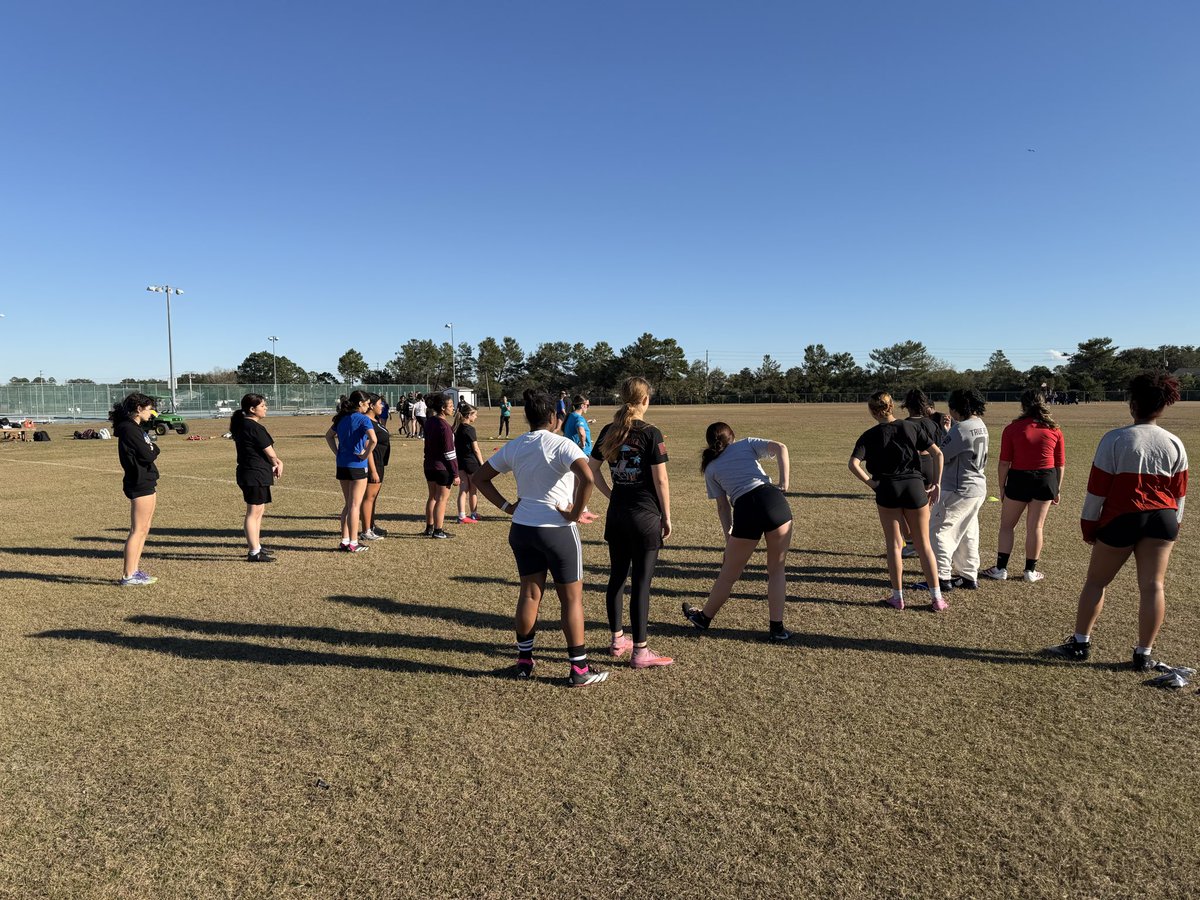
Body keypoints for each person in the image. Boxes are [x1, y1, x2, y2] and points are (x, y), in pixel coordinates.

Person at [1047, 372, 1188, 671]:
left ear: (1132, 403)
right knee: (1153, 587)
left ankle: (1080, 643)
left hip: (1122, 517)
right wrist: (1173, 525)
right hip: (1163, 519)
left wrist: (1089, 526)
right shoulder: (1175, 442)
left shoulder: (1116, 438)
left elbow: (1097, 490)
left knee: (1096, 582)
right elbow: (1179, 495)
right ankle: (1143, 654)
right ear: (1163, 406)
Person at [473, 389, 606, 686]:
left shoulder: (517, 445)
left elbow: (479, 478)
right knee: (571, 599)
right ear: (554, 417)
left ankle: (523, 662)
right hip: (557, 531)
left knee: (530, 593)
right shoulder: (563, 445)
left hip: (522, 530)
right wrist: (575, 513)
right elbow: (588, 478)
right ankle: (579, 670)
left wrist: (508, 507)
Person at [682, 423, 793, 641]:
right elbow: (781, 447)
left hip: (746, 508)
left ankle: (704, 618)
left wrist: (729, 536)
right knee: (777, 570)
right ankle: (777, 629)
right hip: (775, 502)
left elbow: (723, 507)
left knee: (729, 574)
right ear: (732, 436)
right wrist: (784, 483)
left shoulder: (711, 468)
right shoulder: (746, 444)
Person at [590, 377, 673, 668]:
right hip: (645, 516)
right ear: (645, 400)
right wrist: (667, 515)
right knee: (641, 583)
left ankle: (617, 640)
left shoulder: (608, 430)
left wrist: (611, 494)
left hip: (618, 515)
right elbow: (660, 479)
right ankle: (640, 651)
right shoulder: (651, 432)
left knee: (616, 577)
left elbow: (591, 471)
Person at [848, 391, 945, 611]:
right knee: (923, 545)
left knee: (894, 546)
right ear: (892, 407)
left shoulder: (869, 435)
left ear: (872, 411)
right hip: (914, 487)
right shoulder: (911, 427)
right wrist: (937, 483)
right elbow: (938, 454)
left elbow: (853, 464)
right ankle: (937, 598)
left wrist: (872, 484)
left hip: (887, 489)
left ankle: (898, 597)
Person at [982, 389, 1065, 583]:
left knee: (1007, 526)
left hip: (1019, 478)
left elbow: (1004, 463)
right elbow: (1060, 464)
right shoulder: (1055, 429)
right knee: (1035, 527)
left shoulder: (1013, 428)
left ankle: (1001, 568)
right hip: (1046, 479)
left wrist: (1002, 487)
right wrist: (1057, 489)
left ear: (1022, 405)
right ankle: (1030, 571)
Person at [918, 388, 989, 592]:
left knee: (939, 530)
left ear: (958, 407)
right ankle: (969, 575)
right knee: (968, 531)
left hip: (959, 488)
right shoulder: (980, 425)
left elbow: (940, 454)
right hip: (976, 488)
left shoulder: (962, 428)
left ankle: (941, 577)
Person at [111, 392, 161, 586]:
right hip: (138, 481)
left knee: (144, 528)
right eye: (149, 409)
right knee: (137, 529)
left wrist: (152, 449)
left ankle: (134, 570)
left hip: (146, 479)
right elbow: (149, 454)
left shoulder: (136, 428)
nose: (151, 413)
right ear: (139, 409)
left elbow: (151, 450)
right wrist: (153, 449)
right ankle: (128, 575)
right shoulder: (129, 429)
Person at [231, 393, 283, 562]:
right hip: (254, 473)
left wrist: (274, 462)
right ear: (252, 409)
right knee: (253, 512)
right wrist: (277, 462)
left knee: (258, 511)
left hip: (254, 473)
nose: (265, 408)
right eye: (262, 406)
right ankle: (254, 551)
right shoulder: (253, 427)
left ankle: (257, 546)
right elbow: (270, 452)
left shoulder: (245, 425)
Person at [324, 391, 377, 553]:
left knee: (348, 504)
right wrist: (365, 455)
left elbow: (328, 436)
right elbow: (373, 440)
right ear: (360, 404)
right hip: (357, 465)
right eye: (367, 403)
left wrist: (337, 452)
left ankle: (345, 540)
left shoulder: (342, 418)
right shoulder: (363, 419)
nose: (369, 406)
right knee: (355, 505)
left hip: (342, 464)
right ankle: (353, 542)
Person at [899, 388, 944, 559]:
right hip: (930, 466)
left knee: (903, 509)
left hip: (913, 467)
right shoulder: (932, 424)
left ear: (907, 405)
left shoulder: (904, 424)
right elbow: (939, 448)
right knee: (926, 509)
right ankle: (926, 543)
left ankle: (911, 545)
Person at [422, 392, 459, 538]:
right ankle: (438, 530)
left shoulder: (430, 421)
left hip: (429, 465)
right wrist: (455, 473)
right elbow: (449, 453)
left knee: (432, 497)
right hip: (442, 468)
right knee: (441, 499)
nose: (453, 408)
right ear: (443, 408)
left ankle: (429, 528)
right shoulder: (444, 426)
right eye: (450, 406)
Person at [360, 393, 391, 541]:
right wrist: (372, 470)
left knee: (373, 498)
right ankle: (366, 531)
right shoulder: (367, 421)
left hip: (380, 463)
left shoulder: (375, 420)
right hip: (373, 464)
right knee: (369, 497)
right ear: (371, 405)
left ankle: (371, 526)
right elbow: (368, 448)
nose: (382, 406)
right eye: (380, 403)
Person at [454, 402, 484, 524]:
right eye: (475, 415)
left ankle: (461, 515)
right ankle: (473, 514)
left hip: (460, 461)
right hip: (471, 462)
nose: (476, 417)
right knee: (473, 490)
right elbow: (476, 449)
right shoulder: (470, 429)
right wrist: (482, 463)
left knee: (463, 489)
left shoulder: (457, 428)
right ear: (469, 415)